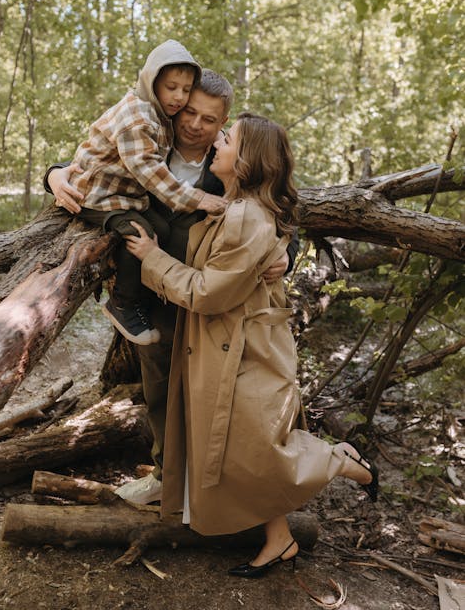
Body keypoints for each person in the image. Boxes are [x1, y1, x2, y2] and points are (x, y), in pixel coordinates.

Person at [126, 112, 379, 577]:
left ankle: (337, 461)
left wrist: (152, 258)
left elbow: (206, 292)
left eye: (228, 136)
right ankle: (279, 540)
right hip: (223, 343)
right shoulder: (228, 198)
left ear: (246, 160)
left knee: (254, 448)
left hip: (244, 348)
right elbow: (116, 159)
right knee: (237, 447)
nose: (216, 139)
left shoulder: (244, 214)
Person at [45, 71, 298, 505]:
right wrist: (52, 175)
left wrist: (285, 254)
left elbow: (281, 206)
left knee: (215, 396)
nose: (196, 124)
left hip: (210, 297)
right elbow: (90, 162)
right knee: (159, 385)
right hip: (154, 294)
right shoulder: (148, 137)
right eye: (190, 111)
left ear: (224, 124)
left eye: (210, 119)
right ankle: (166, 475)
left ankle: (219, 488)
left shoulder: (231, 164)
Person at [64, 40, 226, 346]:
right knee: (141, 232)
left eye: (186, 89)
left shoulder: (161, 115)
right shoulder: (137, 117)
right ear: (151, 82)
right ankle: (122, 303)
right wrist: (198, 198)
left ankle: (139, 295)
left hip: (125, 196)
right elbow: (149, 171)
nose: (178, 97)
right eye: (171, 87)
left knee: (161, 228)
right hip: (98, 196)